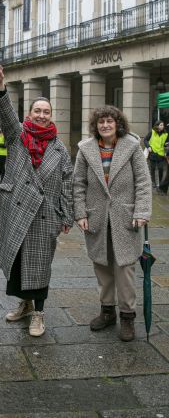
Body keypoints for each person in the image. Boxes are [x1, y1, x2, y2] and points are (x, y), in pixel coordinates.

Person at [0, 67, 73, 337]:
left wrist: (66, 216)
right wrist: (1, 88)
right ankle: (25, 304)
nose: (42, 115)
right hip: (17, 209)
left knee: (39, 265)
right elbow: (7, 116)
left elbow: (68, 183)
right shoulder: (17, 136)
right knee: (18, 262)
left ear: (51, 116)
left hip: (45, 214)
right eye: (38, 111)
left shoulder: (60, 148)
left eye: (47, 112)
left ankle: (39, 314)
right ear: (30, 114)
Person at [73, 106, 152, 342]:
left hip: (126, 217)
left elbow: (143, 182)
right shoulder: (85, 150)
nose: (105, 125)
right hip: (96, 216)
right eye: (101, 122)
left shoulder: (132, 146)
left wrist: (142, 211)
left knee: (125, 268)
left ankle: (127, 316)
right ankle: (107, 312)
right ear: (95, 126)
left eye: (109, 121)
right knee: (102, 265)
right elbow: (78, 185)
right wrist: (80, 214)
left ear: (118, 124)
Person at [144, 120, 167, 189]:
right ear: (157, 125)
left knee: (160, 169)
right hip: (153, 153)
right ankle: (153, 183)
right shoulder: (152, 132)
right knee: (153, 169)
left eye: (163, 125)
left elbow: (166, 143)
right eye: (161, 125)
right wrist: (148, 147)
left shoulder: (165, 134)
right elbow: (145, 139)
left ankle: (160, 184)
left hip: (161, 154)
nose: (162, 126)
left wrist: (166, 145)